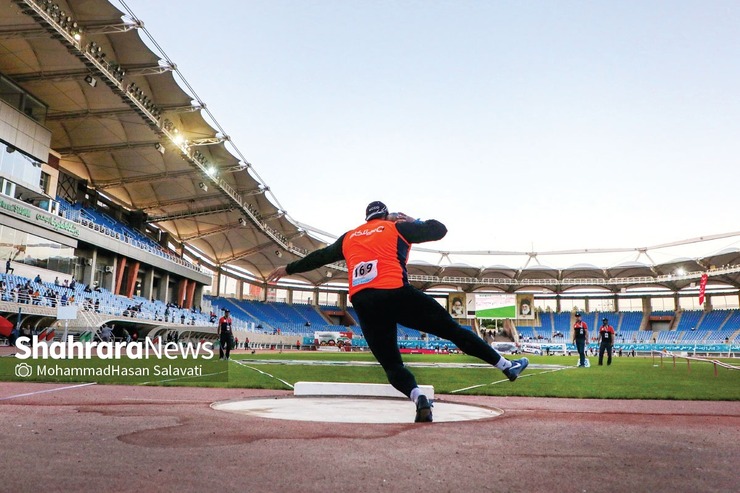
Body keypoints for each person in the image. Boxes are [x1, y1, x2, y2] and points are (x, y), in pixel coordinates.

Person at [267, 200, 529, 423]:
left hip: (364, 303)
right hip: (396, 293)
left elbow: (318, 257)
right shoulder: (396, 227)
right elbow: (439, 230)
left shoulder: (349, 237)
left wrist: (288, 269)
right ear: (385, 215)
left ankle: (418, 396)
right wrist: (413, 220)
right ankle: (506, 366)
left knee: (391, 364)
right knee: (452, 330)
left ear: (366, 218)